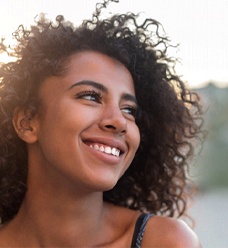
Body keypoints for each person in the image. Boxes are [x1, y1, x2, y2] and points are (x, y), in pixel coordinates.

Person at [0, 0, 204, 247]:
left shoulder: (163, 241)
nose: (119, 121)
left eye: (129, 110)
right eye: (90, 96)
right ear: (27, 122)